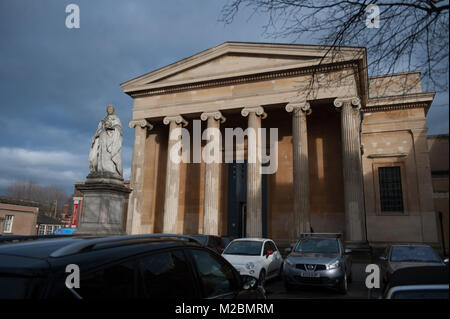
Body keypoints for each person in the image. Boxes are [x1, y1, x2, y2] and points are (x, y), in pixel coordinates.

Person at [88, 104, 123, 177]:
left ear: (113, 110)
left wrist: (111, 127)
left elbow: (118, 128)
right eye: (108, 109)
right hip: (102, 139)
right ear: (107, 110)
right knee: (99, 155)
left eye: (111, 109)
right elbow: (99, 129)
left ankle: (109, 170)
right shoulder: (103, 119)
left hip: (110, 139)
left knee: (108, 155)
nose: (109, 110)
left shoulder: (116, 118)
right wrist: (97, 134)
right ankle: (101, 169)